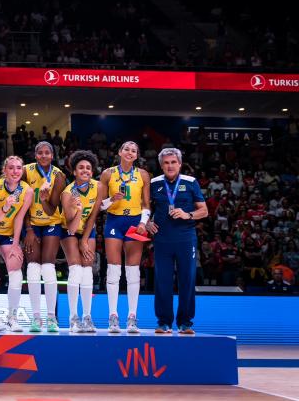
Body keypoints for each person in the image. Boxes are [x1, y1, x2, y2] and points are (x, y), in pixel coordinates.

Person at [147, 147, 208, 334]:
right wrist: (148, 222)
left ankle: (186, 323)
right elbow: (144, 209)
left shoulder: (191, 182)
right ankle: (163, 322)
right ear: (161, 165)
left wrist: (187, 214)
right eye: (166, 163)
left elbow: (204, 211)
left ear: (180, 164)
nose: (170, 165)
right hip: (162, 240)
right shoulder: (154, 183)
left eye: (173, 162)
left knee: (187, 280)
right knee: (162, 281)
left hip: (185, 240)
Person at [99, 141, 151, 334]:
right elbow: (100, 206)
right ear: (120, 152)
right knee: (113, 270)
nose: (130, 152)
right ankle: (113, 316)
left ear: (137, 155)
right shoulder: (108, 174)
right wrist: (111, 200)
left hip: (135, 223)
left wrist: (143, 223)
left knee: (133, 271)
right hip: (114, 222)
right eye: (126, 149)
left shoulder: (143, 175)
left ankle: (132, 317)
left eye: (134, 150)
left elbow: (146, 204)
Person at [23, 141, 67, 333]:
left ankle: (51, 317)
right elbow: (21, 204)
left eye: (47, 153)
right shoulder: (25, 171)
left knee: (48, 267)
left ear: (52, 155)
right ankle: (36, 317)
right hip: (31, 224)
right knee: (33, 268)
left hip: (51, 222)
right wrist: (29, 229)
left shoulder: (59, 175)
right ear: (35, 155)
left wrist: (43, 199)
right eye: (39, 153)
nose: (43, 156)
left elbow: (52, 210)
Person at [60, 150, 103, 333]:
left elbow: (94, 215)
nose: (85, 170)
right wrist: (78, 210)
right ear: (74, 172)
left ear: (92, 172)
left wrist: (84, 240)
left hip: (87, 230)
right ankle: (73, 317)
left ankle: (87, 316)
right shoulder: (68, 193)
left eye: (88, 168)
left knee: (88, 270)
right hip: (68, 230)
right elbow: (70, 227)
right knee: (76, 269)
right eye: (81, 168)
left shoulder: (99, 186)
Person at [0, 156, 33, 332]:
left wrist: (15, 244)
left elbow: (20, 218)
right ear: (4, 170)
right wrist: (5, 207)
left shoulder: (27, 191)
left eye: (19, 168)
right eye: (11, 168)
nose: (15, 171)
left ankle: (12, 317)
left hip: (8, 235)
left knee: (16, 273)